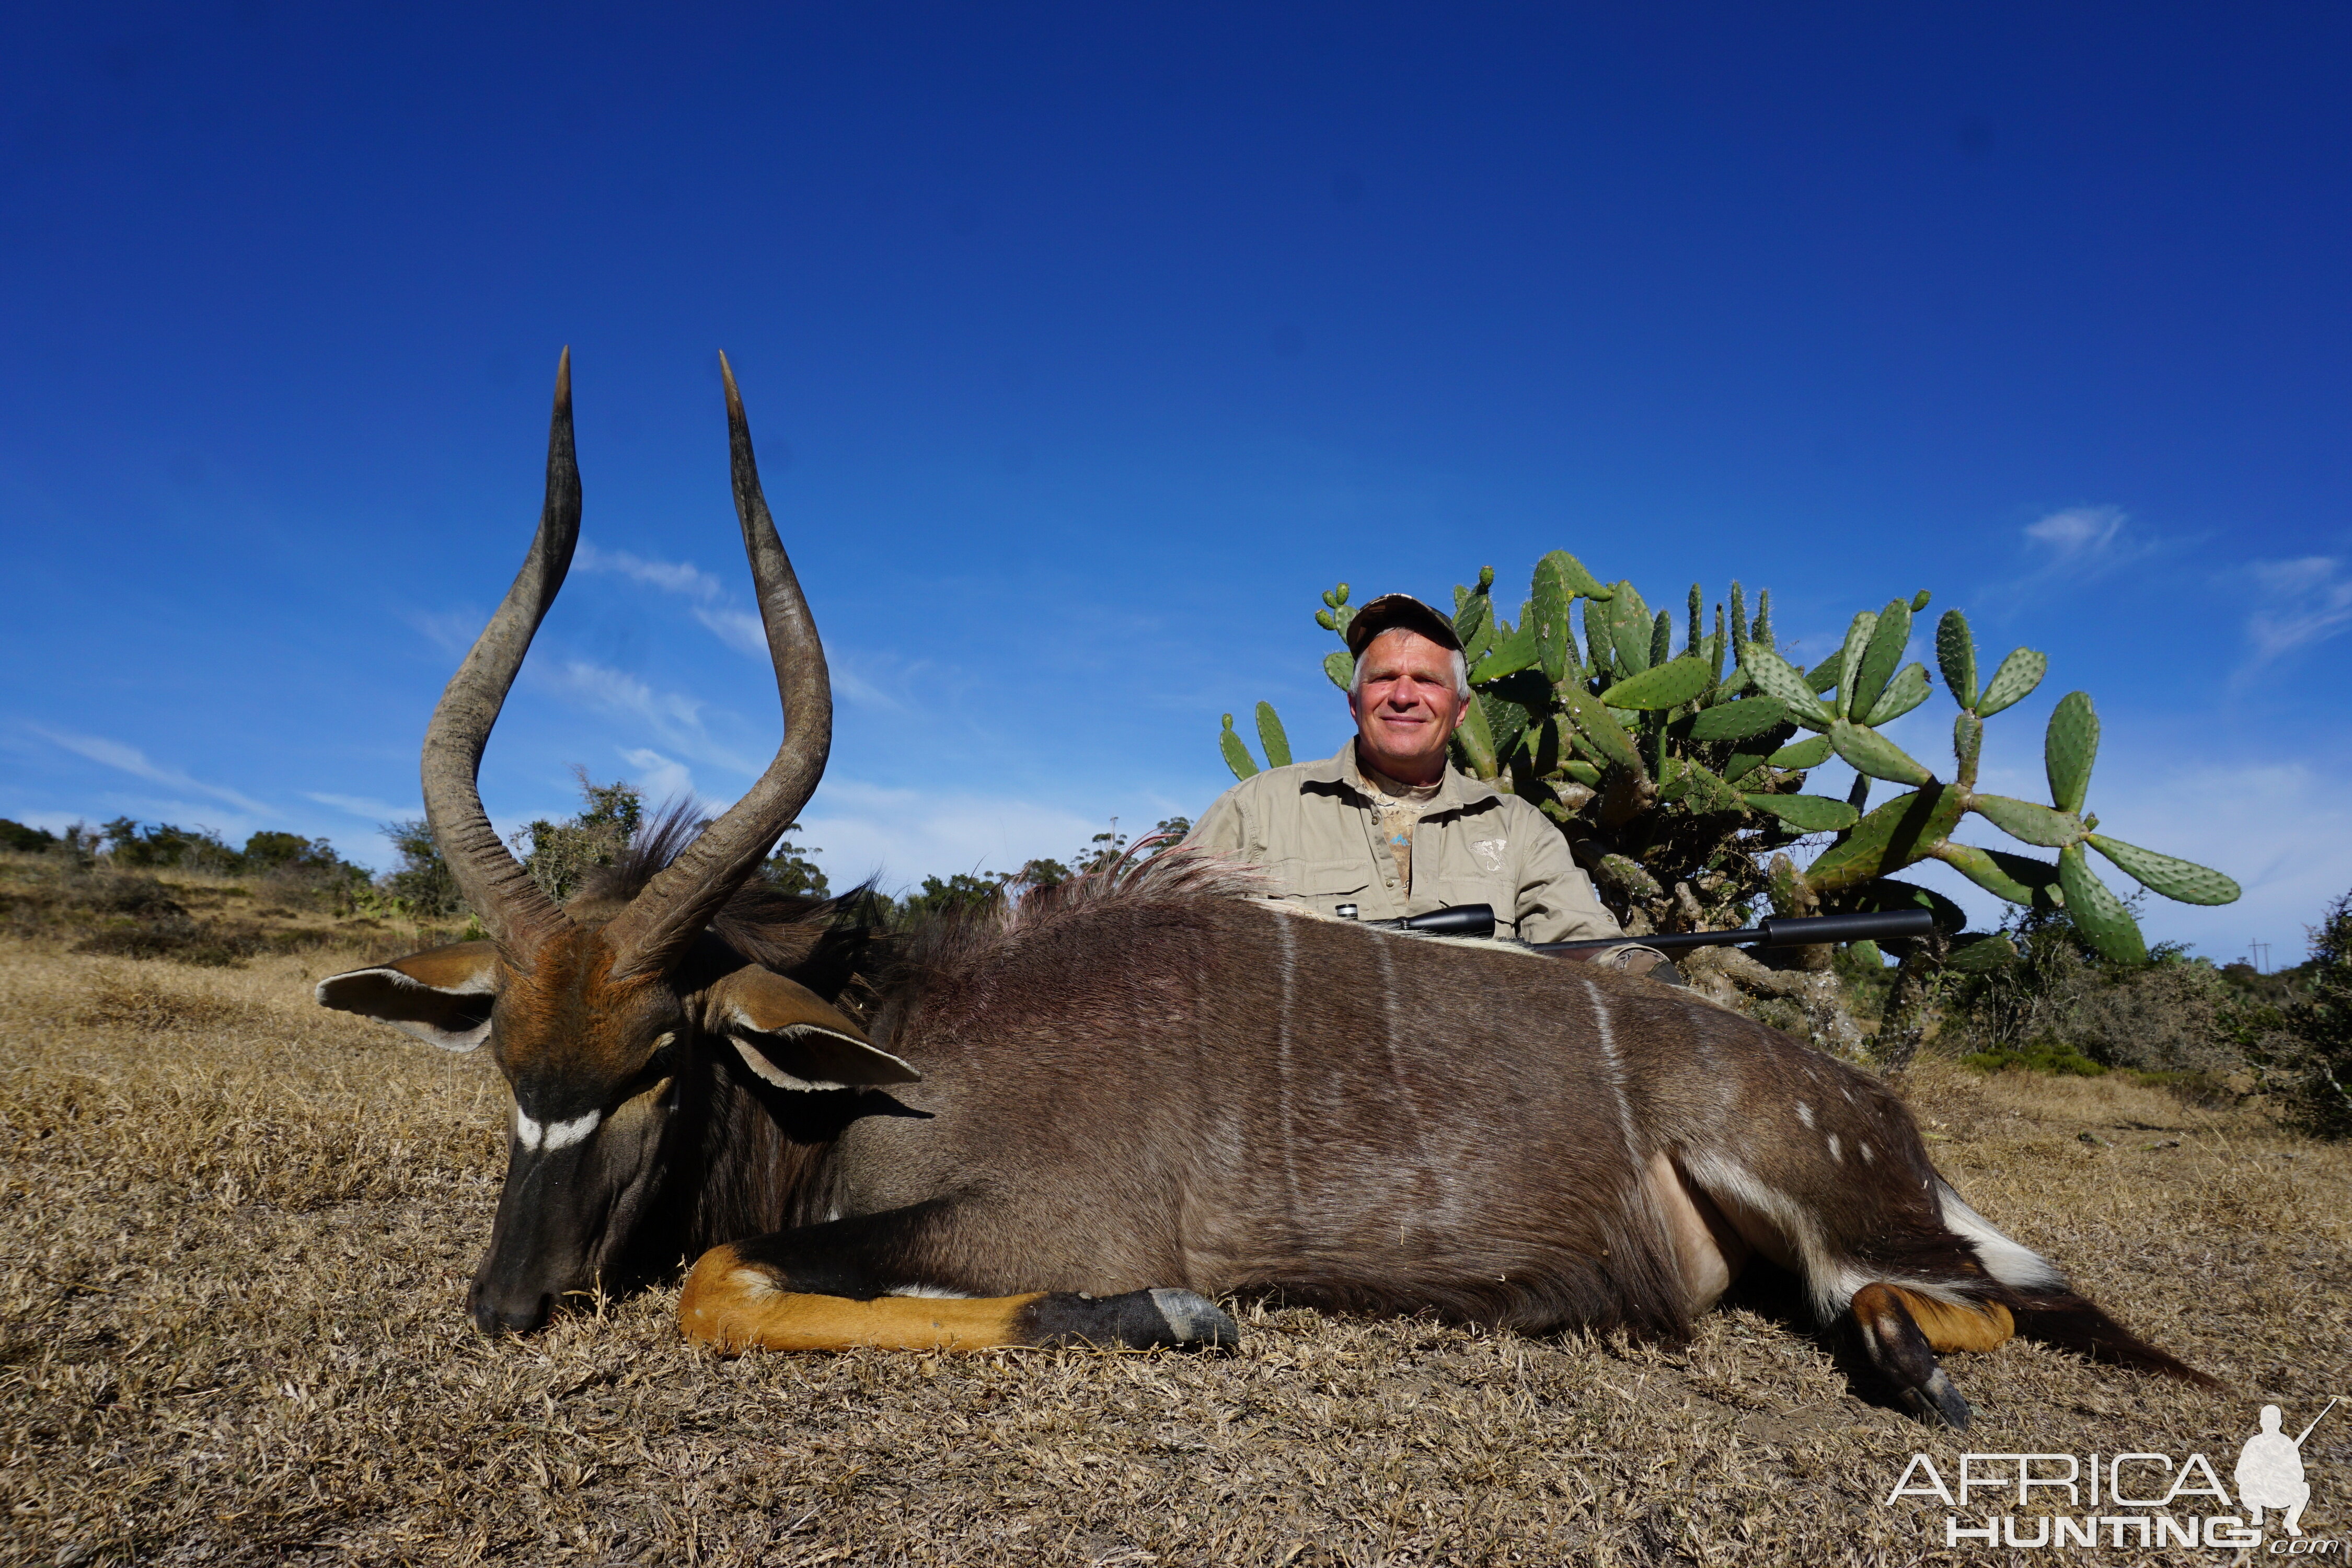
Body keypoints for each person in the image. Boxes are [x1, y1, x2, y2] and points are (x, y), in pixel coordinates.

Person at [1188, 592, 1625, 947]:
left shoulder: (1519, 829)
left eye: (1428, 680)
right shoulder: (1255, 809)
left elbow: (1589, 947)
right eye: (1383, 678)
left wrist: (1644, 975)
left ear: (1460, 711)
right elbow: (1158, 938)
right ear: (1354, 703)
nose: (1403, 696)